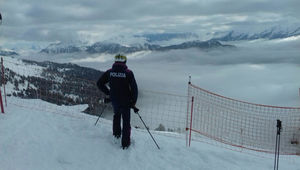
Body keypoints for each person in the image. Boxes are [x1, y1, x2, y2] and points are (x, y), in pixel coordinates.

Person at [97, 54, 138, 149]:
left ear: (115, 62)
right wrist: (133, 102)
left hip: (114, 100)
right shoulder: (128, 73)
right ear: (125, 62)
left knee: (116, 116)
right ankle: (125, 143)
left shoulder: (109, 72)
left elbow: (99, 83)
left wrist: (109, 93)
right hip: (126, 101)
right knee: (126, 121)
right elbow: (134, 89)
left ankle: (116, 134)